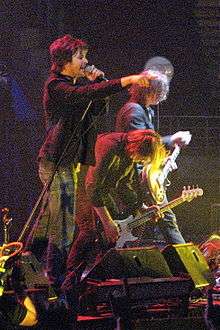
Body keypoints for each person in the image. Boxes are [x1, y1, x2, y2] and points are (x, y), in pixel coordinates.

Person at [31, 34, 157, 295]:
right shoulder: (56, 86)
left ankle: (28, 268)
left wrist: (99, 81)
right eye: (80, 56)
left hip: (69, 164)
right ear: (65, 60)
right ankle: (55, 282)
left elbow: (98, 107)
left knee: (48, 223)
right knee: (63, 224)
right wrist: (127, 80)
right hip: (54, 162)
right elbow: (86, 95)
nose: (86, 60)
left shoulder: (77, 87)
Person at [115, 65, 192, 245]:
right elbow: (140, 145)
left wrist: (162, 160)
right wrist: (171, 139)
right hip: (138, 179)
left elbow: (148, 148)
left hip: (145, 178)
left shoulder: (143, 110)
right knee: (166, 219)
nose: (161, 97)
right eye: (160, 92)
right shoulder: (133, 111)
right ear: (152, 91)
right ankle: (188, 265)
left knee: (158, 221)